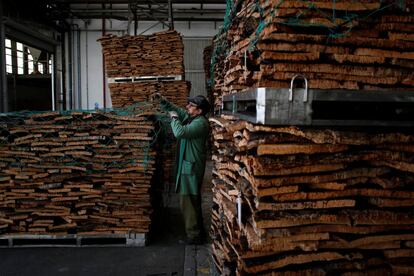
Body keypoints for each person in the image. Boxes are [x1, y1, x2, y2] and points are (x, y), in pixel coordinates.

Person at [152, 93, 210, 245]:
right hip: (187, 168)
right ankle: (198, 232)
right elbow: (176, 109)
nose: (187, 107)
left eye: (192, 106)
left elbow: (180, 132)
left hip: (190, 169)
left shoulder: (200, 124)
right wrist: (163, 101)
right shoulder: (192, 118)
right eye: (188, 104)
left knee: (188, 202)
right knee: (192, 200)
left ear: (200, 111)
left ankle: (193, 236)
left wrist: (174, 118)